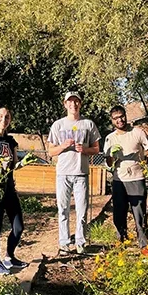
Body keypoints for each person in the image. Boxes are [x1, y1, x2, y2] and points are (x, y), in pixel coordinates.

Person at [47, 91, 100, 255]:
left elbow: (96, 149)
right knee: (63, 209)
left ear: (80, 104)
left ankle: (80, 242)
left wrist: (85, 149)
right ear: (65, 104)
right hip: (63, 174)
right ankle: (64, 243)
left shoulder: (88, 124)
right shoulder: (58, 125)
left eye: (76, 101)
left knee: (82, 211)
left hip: (81, 173)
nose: (73, 104)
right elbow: (50, 151)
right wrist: (62, 146)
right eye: (70, 102)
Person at [103, 105, 148, 246]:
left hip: (137, 178)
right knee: (119, 214)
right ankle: (122, 244)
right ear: (112, 120)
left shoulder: (138, 132)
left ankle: (144, 245)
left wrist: (144, 161)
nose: (120, 120)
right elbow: (108, 163)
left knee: (139, 214)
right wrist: (111, 155)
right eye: (116, 118)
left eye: (121, 116)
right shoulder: (110, 138)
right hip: (119, 180)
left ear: (125, 115)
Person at [0, 106, 27, 275]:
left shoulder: (11, 141)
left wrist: (22, 163)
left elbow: (14, 163)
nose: (4, 119)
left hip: (9, 188)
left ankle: (9, 256)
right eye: (1, 116)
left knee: (18, 226)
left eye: (7, 117)